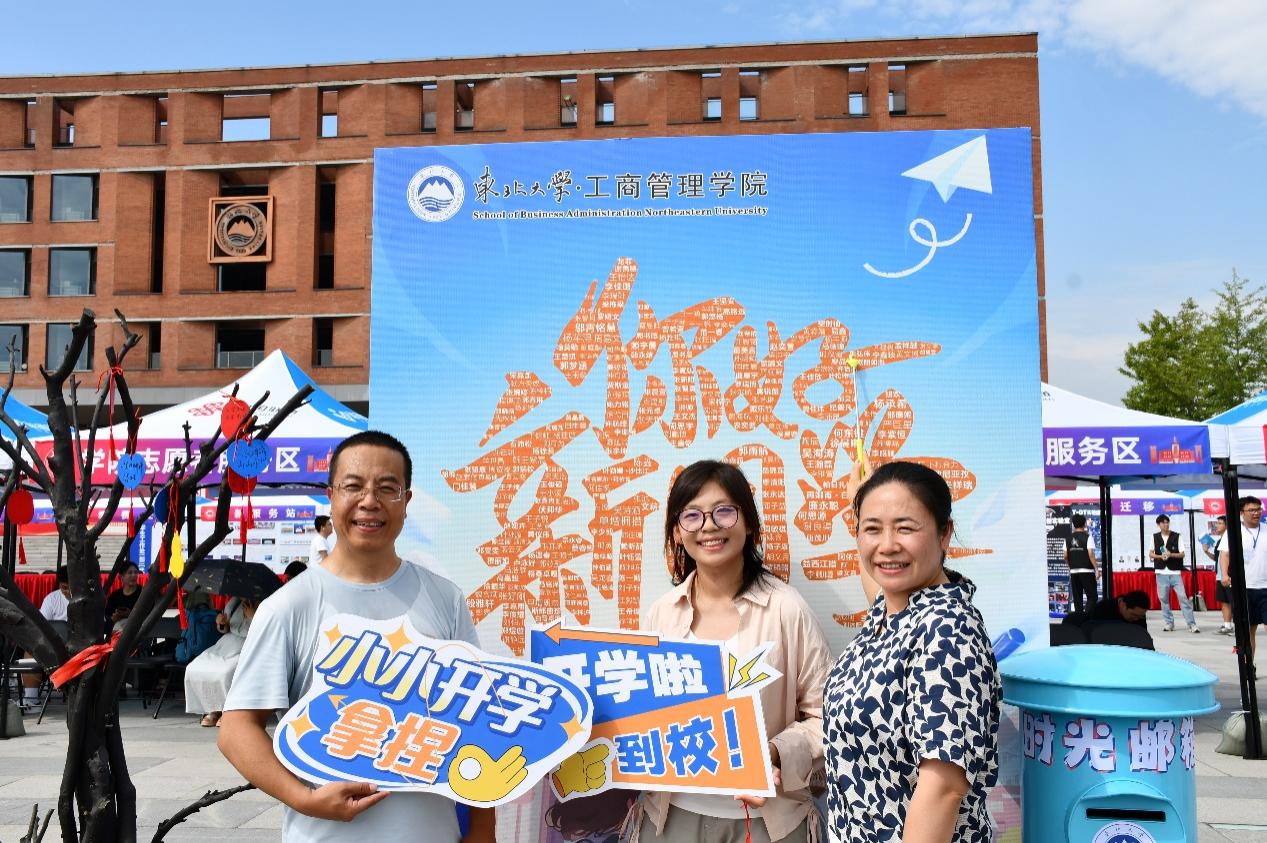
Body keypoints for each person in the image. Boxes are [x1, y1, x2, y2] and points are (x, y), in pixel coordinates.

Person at [218, 430, 495, 842]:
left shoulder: (445, 599)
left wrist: (483, 830)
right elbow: (237, 728)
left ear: (406, 502)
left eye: (387, 488)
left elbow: (478, 722)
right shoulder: (290, 605)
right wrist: (304, 799)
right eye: (353, 486)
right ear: (331, 497)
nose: (370, 501)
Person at [635, 459, 832, 843]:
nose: (708, 526)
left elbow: (828, 717)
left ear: (750, 524)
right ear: (676, 532)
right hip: (671, 816)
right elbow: (639, 712)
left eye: (724, 511)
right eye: (692, 515)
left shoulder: (787, 609)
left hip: (767, 821)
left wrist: (772, 752)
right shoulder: (661, 613)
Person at [824, 461, 999, 843]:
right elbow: (879, 574)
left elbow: (943, 787)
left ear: (944, 533)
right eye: (872, 529)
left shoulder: (947, 632)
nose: (887, 545)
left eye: (905, 528)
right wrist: (857, 500)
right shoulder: (894, 611)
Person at [185, 596, 257, 727]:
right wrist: (221, 624)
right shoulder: (234, 603)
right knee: (195, 667)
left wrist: (253, 617)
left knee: (225, 672)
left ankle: (228, 710)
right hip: (226, 642)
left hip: (249, 643)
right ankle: (213, 708)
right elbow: (224, 630)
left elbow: (269, 631)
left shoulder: (264, 604)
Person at [1221, 496, 1267, 668]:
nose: (1256, 513)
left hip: (1266, 587)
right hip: (1244, 588)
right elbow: (1225, 554)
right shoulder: (1233, 531)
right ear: (1242, 513)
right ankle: (1249, 666)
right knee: (1248, 631)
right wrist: (1224, 574)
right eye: (1252, 510)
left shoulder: (1266, 529)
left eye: (1258, 509)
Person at [1150, 514, 1198, 633]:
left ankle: (1191, 624)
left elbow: (1182, 554)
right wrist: (1160, 556)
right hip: (1161, 572)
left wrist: (1171, 554)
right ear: (1158, 524)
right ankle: (1169, 623)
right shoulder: (1154, 537)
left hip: (1175, 572)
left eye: (1167, 522)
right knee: (1164, 599)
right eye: (1163, 522)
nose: (1166, 524)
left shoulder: (1177, 536)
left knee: (1183, 597)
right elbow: (1151, 553)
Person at [1064, 514, 1100, 614]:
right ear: (1084, 524)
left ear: (1073, 524)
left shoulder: (1068, 539)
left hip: (1074, 572)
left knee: (1077, 598)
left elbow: (1065, 556)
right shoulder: (1088, 537)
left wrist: (1070, 567)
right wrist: (1096, 569)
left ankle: (1079, 619)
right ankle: (1086, 617)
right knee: (1092, 596)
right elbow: (1091, 554)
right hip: (1087, 571)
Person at [1205, 516, 1233, 634]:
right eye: (1217, 523)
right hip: (1220, 576)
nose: (1217, 525)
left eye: (1220, 523)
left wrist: (1227, 574)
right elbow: (1217, 559)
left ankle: (1241, 627)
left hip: (1229, 576)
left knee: (1233, 601)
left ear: (1226, 526)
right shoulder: (1219, 541)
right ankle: (1227, 626)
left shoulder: (1231, 539)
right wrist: (1206, 552)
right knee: (1224, 601)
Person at [105, 562, 143, 632]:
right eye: (130, 573)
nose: (134, 575)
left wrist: (130, 615)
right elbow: (107, 616)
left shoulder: (143, 593)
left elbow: (149, 615)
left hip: (138, 631)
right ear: (121, 576)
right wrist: (113, 619)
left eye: (136, 572)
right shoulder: (115, 596)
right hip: (116, 631)